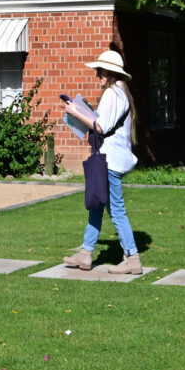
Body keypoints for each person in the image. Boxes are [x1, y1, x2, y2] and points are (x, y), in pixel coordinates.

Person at [62, 48, 143, 274]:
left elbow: (100, 126)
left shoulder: (112, 94)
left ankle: (132, 258)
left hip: (110, 161)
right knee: (96, 205)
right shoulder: (121, 93)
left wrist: (75, 112)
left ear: (109, 72)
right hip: (112, 159)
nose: (97, 75)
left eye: (100, 71)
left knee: (116, 210)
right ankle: (86, 253)